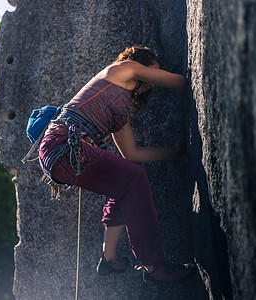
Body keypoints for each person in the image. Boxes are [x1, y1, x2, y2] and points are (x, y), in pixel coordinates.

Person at [38, 46, 193, 284]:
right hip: (63, 145)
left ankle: (109, 258)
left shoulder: (118, 110)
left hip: (59, 153)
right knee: (132, 178)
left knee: (124, 182)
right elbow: (178, 81)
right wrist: (189, 95)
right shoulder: (123, 68)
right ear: (141, 63)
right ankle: (153, 266)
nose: (151, 84)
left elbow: (132, 153)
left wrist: (175, 151)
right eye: (152, 70)